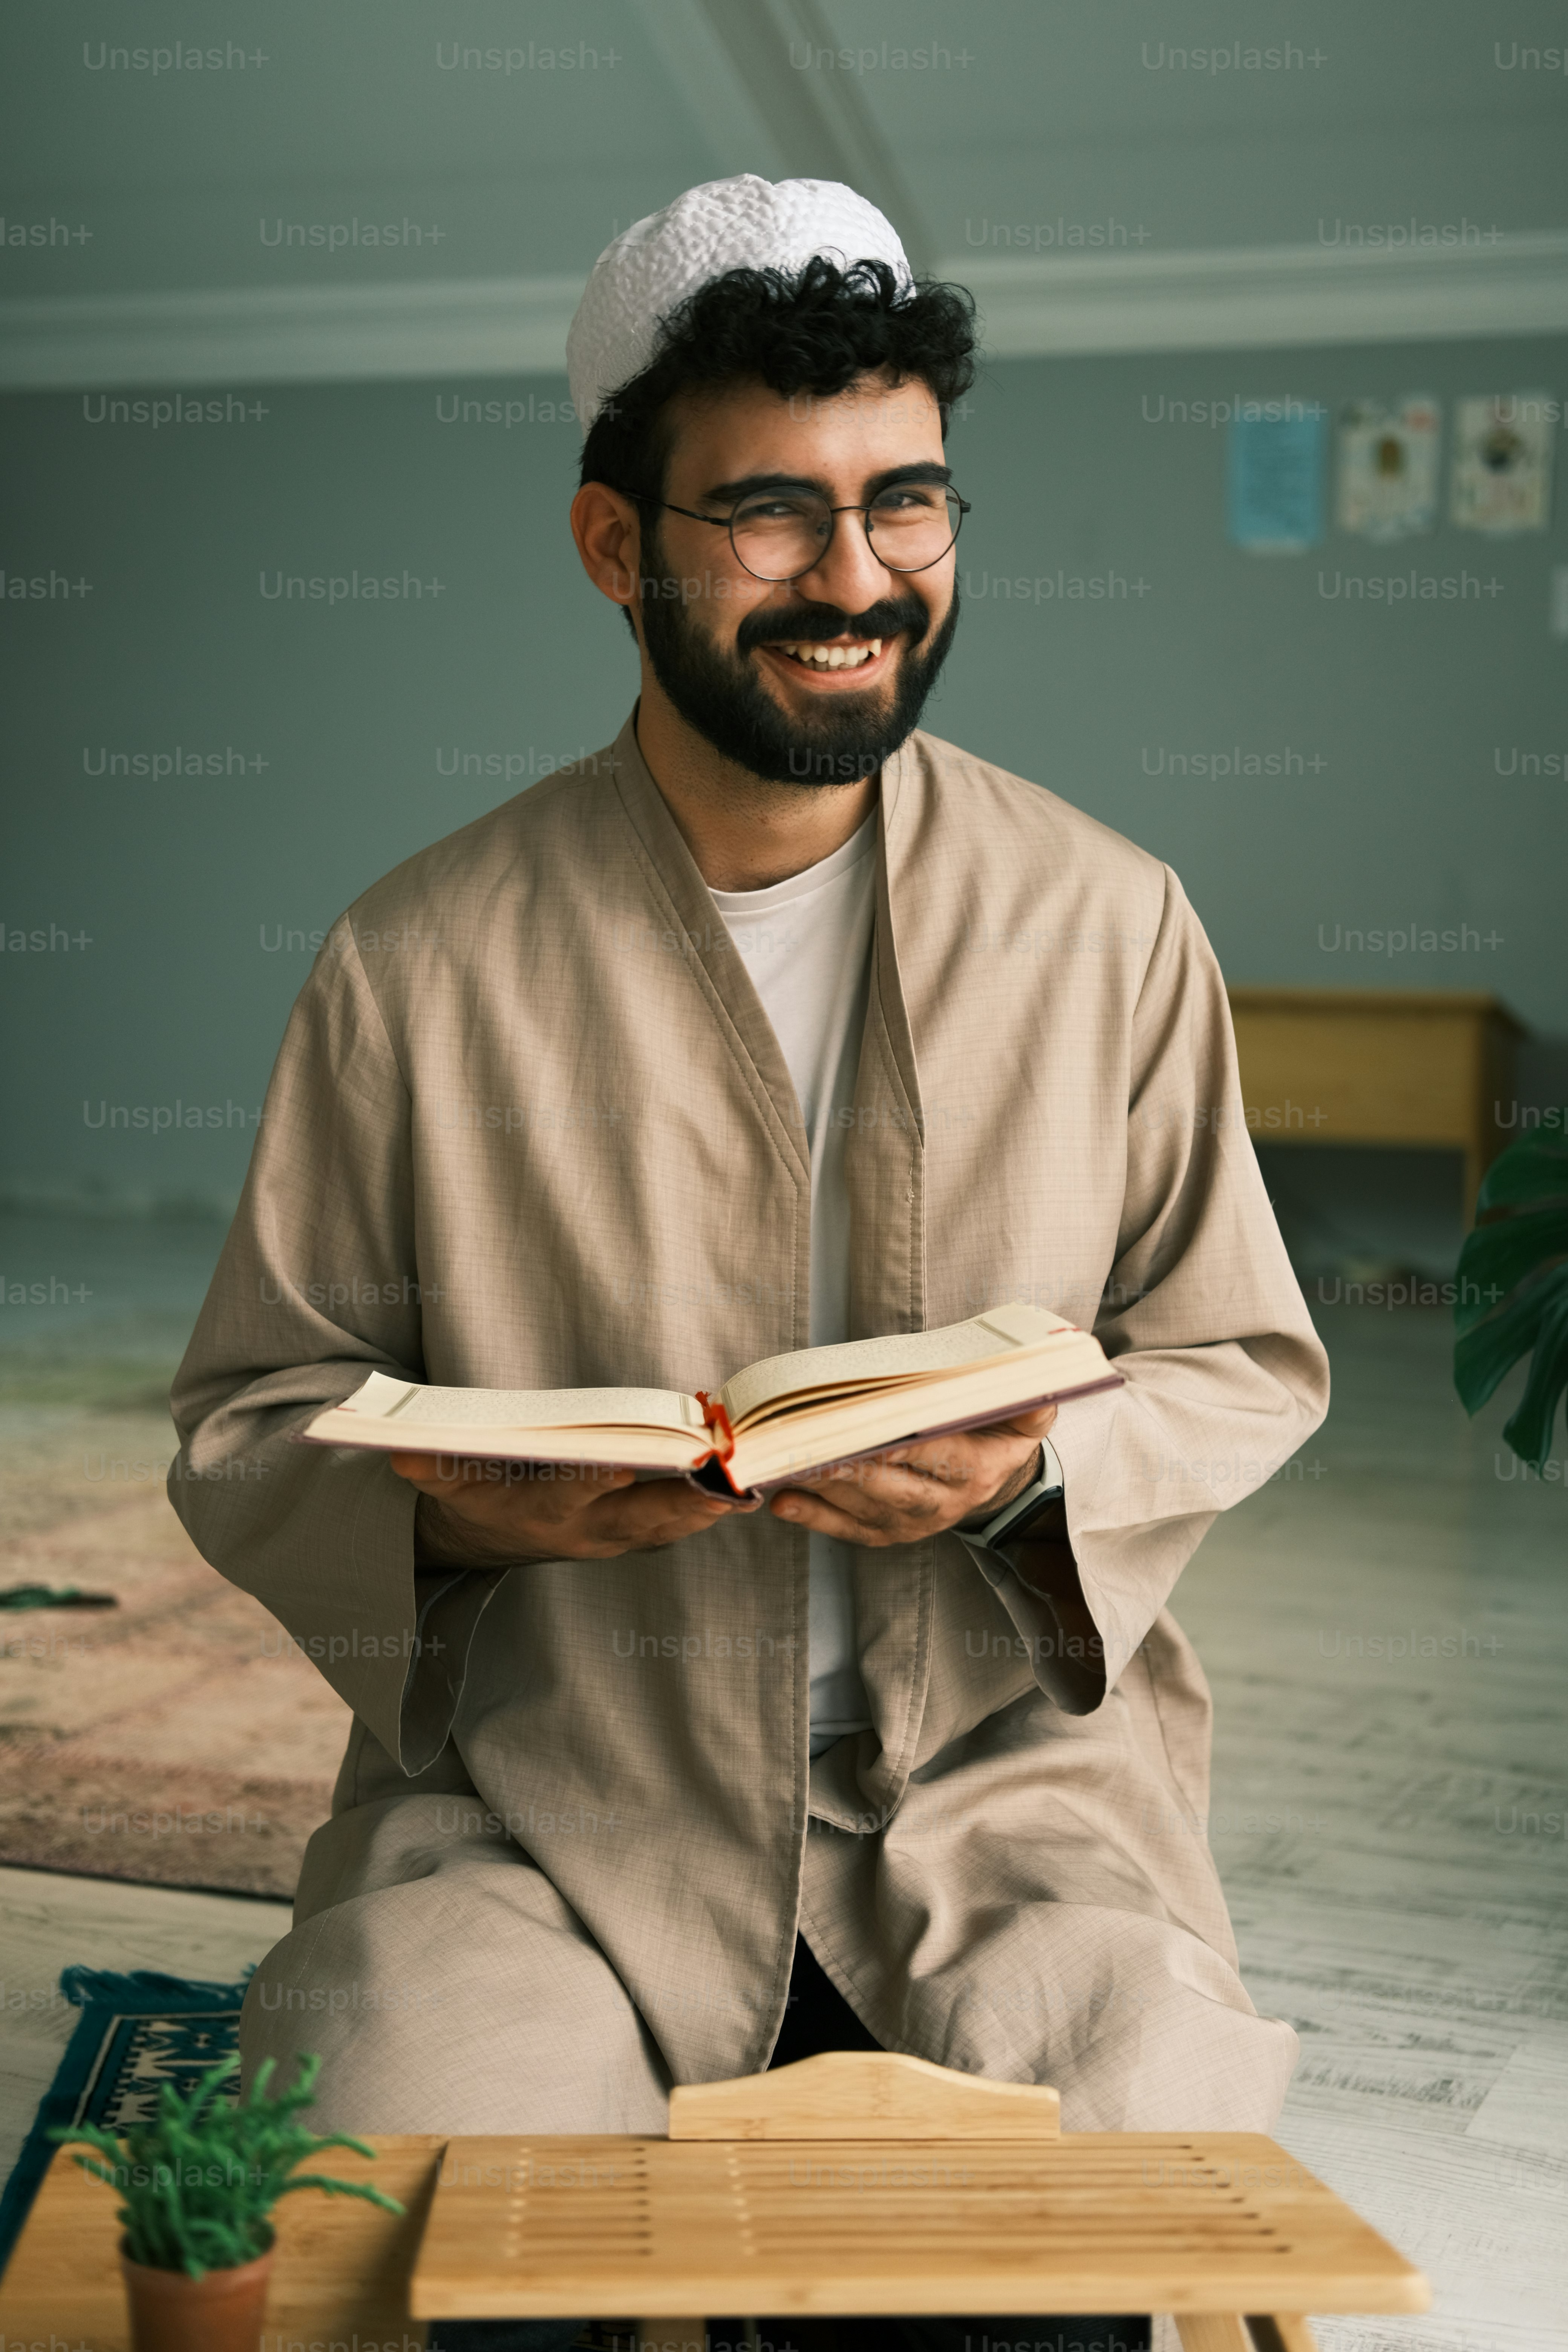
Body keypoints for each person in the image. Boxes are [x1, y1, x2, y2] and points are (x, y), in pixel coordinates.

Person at [169, 178, 1328, 2352]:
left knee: (1040, 2294)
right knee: (431, 2271)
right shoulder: (416, 963)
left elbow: (1241, 1351)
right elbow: (251, 1414)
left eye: (908, 505)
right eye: (771, 517)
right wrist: (446, 1509)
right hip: (545, 1804)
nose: (858, 576)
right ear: (620, 547)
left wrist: (1022, 1472)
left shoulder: (1112, 922)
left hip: (997, 1792)